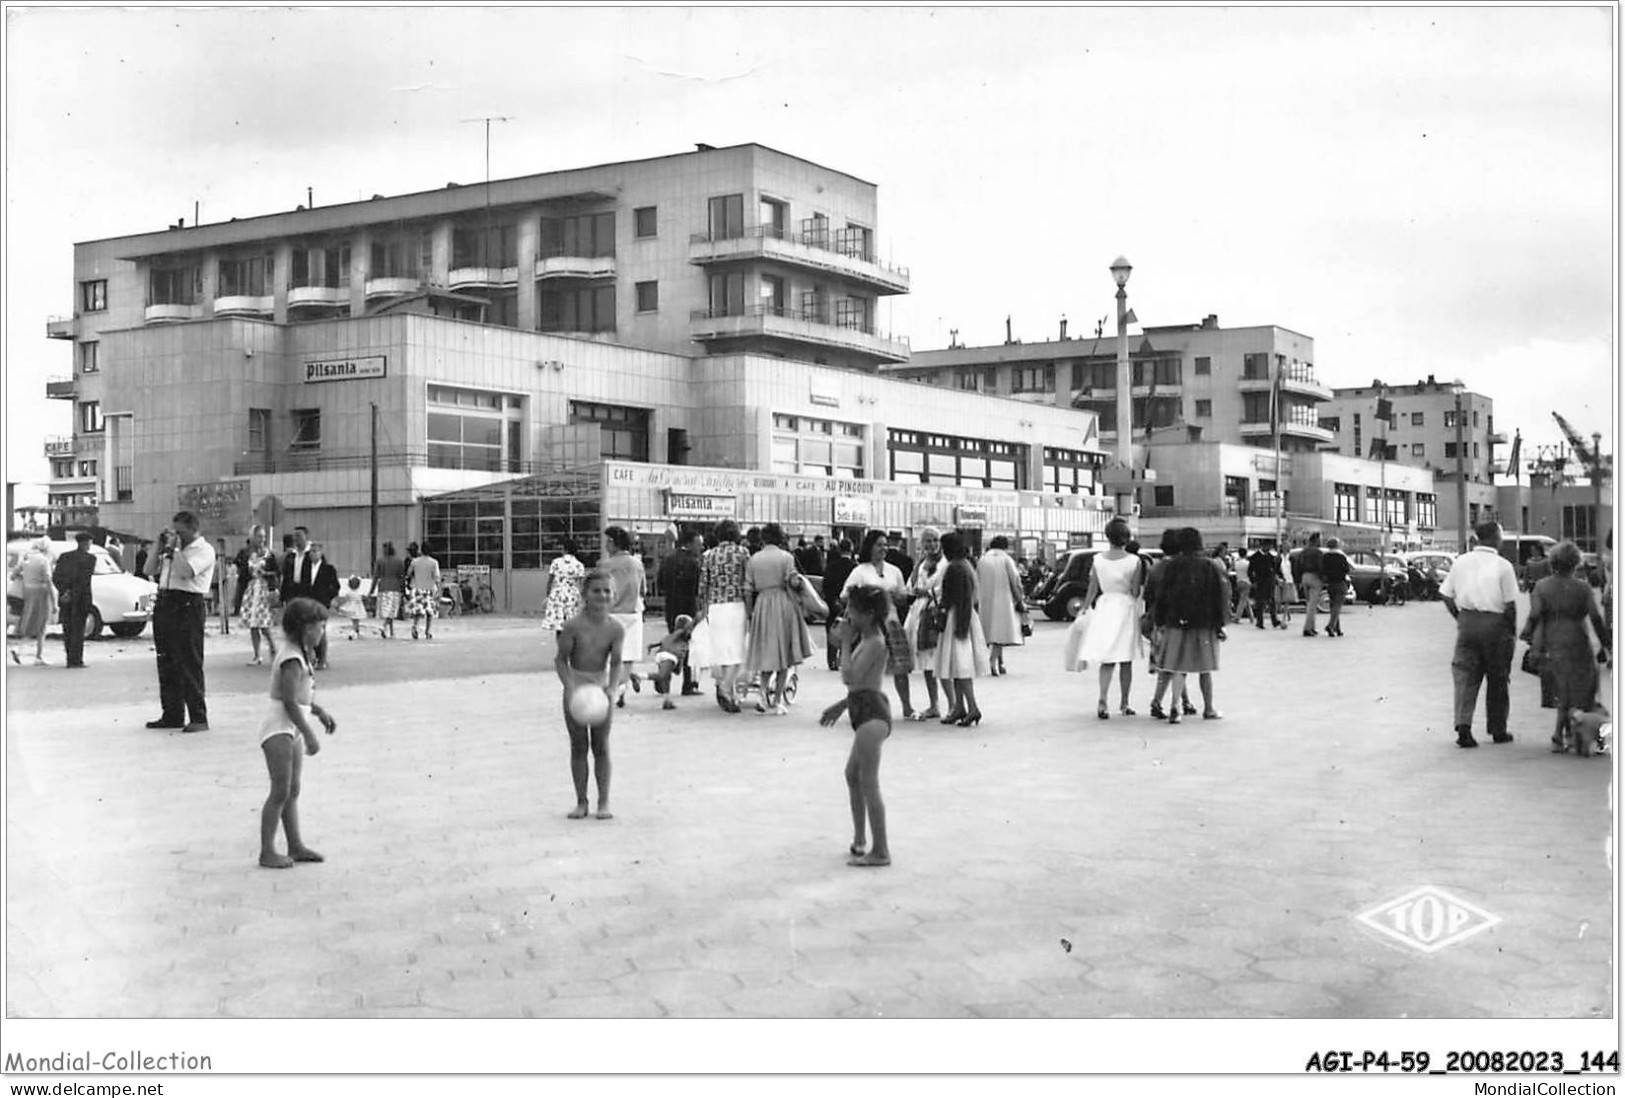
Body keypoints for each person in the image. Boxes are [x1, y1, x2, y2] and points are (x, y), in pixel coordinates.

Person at [257, 598, 337, 869]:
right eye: (319, 627)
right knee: (280, 790)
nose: (322, 632)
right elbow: (289, 701)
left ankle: (295, 845)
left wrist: (318, 711)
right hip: (279, 727)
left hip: (291, 725)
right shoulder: (291, 657)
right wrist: (309, 733)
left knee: (292, 789)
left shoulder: (300, 653)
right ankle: (267, 850)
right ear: (303, 628)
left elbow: (301, 698)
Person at [820, 584, 893, 868]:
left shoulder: (873, 642)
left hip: (872, 716)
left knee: (868, 782)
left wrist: (846, 643)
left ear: (869, 614)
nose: (847, 614)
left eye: (852, 609)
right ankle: (861, 838)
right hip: (864, 709)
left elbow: (850, 677)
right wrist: (841, 706)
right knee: (853, 775)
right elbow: (860, 685)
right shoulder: (869, 638)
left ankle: (881, 850)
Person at [1521, 540, 1609, 753]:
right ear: (1575, 563)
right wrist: (1606, 643)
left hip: (1552, 640)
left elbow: (1535, 614)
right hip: (1578, 640)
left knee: (1561, 688)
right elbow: (1596, 617)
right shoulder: (1583, 587)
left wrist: (1528, 635)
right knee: (1580, 688)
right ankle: (1569, 734)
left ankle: (1559, 736)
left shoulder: (1542, 587)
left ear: (1553, 562)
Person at [1439, 520, 1520, 748]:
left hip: (1467, 624)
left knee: (1465, 676)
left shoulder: (1460, 562)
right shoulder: (1504, 566)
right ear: (1495, 538)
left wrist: (1459, 617)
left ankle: (1463, 727)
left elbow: (1445, 594)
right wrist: (1512, 631)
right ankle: (1498, 729)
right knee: (1498, 679)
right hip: (1496, 626)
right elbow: (1510, 605)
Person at [554, 569, 621, 820]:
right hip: (576, 691)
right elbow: (560, 660)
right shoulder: (572, 627)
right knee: (578, 746)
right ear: (585, 595)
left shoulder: (615, 629)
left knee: (601, 746)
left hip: (601, 692)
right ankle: (581, 801)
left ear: (613, 595)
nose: (602, 595)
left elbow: (615, 663)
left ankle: (603, 802)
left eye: (607, 591)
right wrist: (570, 686)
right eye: (596, 591)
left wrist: (612, 687)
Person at [1064, 517, 1143, 719]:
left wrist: (1083, 609)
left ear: (1108, 536)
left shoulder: (1098, 559)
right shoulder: (1135, 561)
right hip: (1125, 608)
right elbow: (1134, 591)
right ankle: (1125, 703)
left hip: (1105, 607)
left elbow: (1092, 589)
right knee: (1126, 659)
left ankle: (1102, 700)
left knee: (1107, 659)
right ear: (1126, 538)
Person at [146, 510, 216, 733]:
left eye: (180, 532)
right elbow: (148, 569)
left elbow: (186, 572)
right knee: (166, 661)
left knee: (189, 661)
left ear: (193, 529)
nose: (177, 536)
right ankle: (172, 713)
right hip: (165, 601)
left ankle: (198, 716)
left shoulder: (204, 550)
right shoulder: (172, 550)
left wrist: (174, 550)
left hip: (188, 604)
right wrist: (159, 546)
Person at [1151, 527, 1228, 724]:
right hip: (1204, 623)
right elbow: (1218, 598)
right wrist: (1220, 624)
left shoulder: (1172, 566)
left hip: (1176, 621)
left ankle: (1175, 706)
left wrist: (1160, 620)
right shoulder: (1210, 566)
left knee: (1178, 666)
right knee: (1205, 669)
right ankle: (1208, 708)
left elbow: (1162, 597)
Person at [841, 530, 915, 718]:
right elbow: (845, 595)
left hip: (892, 622)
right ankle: (861, 705)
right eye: (879, 544)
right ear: (870, 547)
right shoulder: (860, 571)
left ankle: (907, 706)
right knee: (866, 667)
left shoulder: (894, 571)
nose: (884, 548)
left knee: (900, 667)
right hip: (869, 625)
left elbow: (903, 595)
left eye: (885, 544)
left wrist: (898, 597)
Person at [745, 522, 813, 715]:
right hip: (783, 603)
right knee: (784, 655)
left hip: (762, 604)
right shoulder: (787, 558)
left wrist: (751, 613)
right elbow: (792, 581)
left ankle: (762, 694)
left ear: (763, 539)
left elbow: (748, 589)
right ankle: (776, 701)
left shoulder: (754, 560)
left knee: (767, 652)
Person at [697, 519, 752, 713]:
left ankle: (729, 691)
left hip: (716, 607)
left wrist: (703, 609)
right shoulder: (743, 553)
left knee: (722, 651)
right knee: (737, 652)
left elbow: (703, 586)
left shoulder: (709, 555)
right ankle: (726, 688)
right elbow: (748, 582)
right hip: (737, 605)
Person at [934, 531, 989, 726]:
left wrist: (957, 624)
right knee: (959, 666)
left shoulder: (954, 568)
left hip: (957, 618)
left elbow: (957, 598)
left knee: (961, 665)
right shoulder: (966, 566)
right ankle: (960, 707)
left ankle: (972, 707)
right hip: (965, 617)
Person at [1143, 529, 1196, 720]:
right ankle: (1176, 706)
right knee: (1179, 664)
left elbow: (1147, 595)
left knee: (1166, 664)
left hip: (1160, 620)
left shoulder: (1155, 568)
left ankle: (1170, 702)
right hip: (1180, 620)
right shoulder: (1183, 567)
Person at [900, 527, 946, 720]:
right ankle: (933, 704)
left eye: (935, 540)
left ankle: (951, 704)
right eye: (928, 541)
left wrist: (927, 593)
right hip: (918, 613)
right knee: (926, 662)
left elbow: (943, 588)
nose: (932, 544)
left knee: (938, 661)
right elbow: (910, 588)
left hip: (932, 613)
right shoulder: (920, 564)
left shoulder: (945, 564)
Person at [601, 527, 648, 708]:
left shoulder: (606, 565)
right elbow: (643, 591)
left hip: (611, 614)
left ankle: (612, 689)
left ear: (613, 542)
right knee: (629, 656)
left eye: (607, 541)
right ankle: (622, 689)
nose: (606, 545)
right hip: (633, 613)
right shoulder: (637, 564)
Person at [660, 531, 705, 696]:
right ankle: (688, 684)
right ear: (690, 543)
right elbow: (699, 588)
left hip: (671, 607)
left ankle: (663, 678)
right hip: (690, 608)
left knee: (671, 642)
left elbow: (660, 583)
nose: (701, 547)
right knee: (689, 646)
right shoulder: (695, 562)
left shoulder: (668, 559)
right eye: (699, 544)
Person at [976, 535, 1026, 676]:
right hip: (1004, 600)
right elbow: (1015, 581)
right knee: (1000, 633)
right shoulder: (1006, 559)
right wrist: (1020, 599)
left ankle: (1000, 661)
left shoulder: (983, 559)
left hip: (985, 601)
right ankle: (993, 662)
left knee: (992, 632)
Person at [10, 537, 57, 667]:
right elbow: (48, 580)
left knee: (29, 622)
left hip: (28, 591)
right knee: (42, 625)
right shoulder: (44, 560)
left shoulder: (26, 557)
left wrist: (25, 578)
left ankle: (19, 648)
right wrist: (54, 603)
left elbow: (14, 574)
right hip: (42, 593)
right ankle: (39, 656)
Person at [52, 532, 96, 669]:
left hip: (66, 598)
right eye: (89, 542)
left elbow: (56, 577)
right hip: (81, 598)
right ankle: (76, 660)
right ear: (85, 543)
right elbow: (83, 580)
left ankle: (69, 658)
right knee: (79, 629)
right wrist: (73, 591)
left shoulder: (64, 557)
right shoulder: (90, 559)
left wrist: (64, 591)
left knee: (68, 628)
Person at [239, 525, 280, 664]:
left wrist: (266, 574)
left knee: (263, 622)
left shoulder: (269, 554)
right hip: (251, 588)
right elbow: (242, 573)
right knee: (253, 623)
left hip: (264, 588)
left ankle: (273, 646)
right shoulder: (245, 553)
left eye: (263, 536)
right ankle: (257, 655)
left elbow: (276, 572)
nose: (262, 539)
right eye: (259, 536)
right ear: (252, 537)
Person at [820, 539, 857, 671]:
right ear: (851, 549)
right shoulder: (855, 567)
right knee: (850, 633)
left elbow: (826, 586)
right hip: (850, 605)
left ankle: (832, 660)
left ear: (840, 550)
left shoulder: (831, 566)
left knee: (832, 630)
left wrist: (832, 600)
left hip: (833, 604)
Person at [646, 614, 695, 711]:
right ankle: (639, 676)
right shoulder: (681, 633)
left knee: (666, 678)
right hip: (669, 656)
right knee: (663, 676)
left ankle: (666, 700)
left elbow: (661, 642)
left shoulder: (673, 636)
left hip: (664, 656)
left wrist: (652, 646)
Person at [539, 538, 587, 635]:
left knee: (558, 623)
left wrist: (548, 595)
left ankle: (561, 645)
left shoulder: (556, 562)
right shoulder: (579, 565)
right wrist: (583, 598)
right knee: (571, 621)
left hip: (558, 593)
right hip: (572, 594)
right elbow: (582, 583)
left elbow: (550, 581)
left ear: (564, 549)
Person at [307, 543, 340, 669]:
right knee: (310, 630)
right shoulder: (306, 568)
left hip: (322, 603)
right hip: (309, 602)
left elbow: (335, 587)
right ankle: (312, 657)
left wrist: (328, 598)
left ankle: (323, 659)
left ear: (321, 553)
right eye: (311, 551)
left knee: (321, 630)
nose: (313, 554)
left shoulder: (328, 569)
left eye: (315, 551)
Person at [405, 543, 442, 640]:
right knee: (430, 612)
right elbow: (437, 577)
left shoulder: (415, 561)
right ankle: (428, 631)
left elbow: (409, 573)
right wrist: (438, 590)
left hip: (417, 588)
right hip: (429, 588)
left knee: (418, 611)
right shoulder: (434, 562)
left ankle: (415, 627)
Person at [1293, 532, 1326, 637]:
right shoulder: (1318, 553)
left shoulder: (1303, 552)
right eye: (1320, 540)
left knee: (1309, 604)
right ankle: (1308, 628)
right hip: (1314, 577)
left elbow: (1297, 566)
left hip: (1304, 577)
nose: (1321, 542)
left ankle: (1312, 626)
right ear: (1316, 540)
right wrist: (1323, 578)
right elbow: (1321, 566)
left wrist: (1298, 580)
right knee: (1313, 604)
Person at [1248, 542, 1285, 629]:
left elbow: (1276, 568)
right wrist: (1253, 581)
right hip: (1260, 581)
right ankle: (1259, 622)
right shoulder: (1255, 557)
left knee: (1272, 601)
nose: (1268, 548)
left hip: (1270, 581)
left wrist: (1281, 576)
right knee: (1260, 602)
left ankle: (1274, 620)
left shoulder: (1271, 557)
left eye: (1269, 547)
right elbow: (1250, 571)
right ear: (1262, 546)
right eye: (1266, 546)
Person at [373, 541, 406, 639]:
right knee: (392, 611)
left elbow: (376, 576)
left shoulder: (380, 560)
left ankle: (391, 631)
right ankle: (384, 627)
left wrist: (371, 590)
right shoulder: (399, 561)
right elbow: (401, 577)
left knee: (387, 611)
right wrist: (403, 589)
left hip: (383, 587)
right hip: (395, 587)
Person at [1321, 536, 1352, 638]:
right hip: (1340, 582)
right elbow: (1347, 569)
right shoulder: (1341, 556)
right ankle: (1330, 626)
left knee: (1333, 606)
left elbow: (1323, 570)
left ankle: (1337, 629)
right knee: (1338, 606)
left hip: (1330, 583)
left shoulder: (1325, 557)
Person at [281, 526, 316, 604]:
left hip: (308, 595)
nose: (295, 538)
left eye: (298, 535)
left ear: (306, 537)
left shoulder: (314, 554)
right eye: (294, 536)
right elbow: (286, 577)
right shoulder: (291, 556)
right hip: (292, 594)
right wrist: (282, 596)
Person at [334, 575, 368, 640]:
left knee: (354, 621)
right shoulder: (359, 593)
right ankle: (352, 633)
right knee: (356, 621)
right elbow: (362, 598)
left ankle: (357, 631)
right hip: (358, 609)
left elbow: (346, 600)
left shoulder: (349, 593)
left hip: (351, 608)